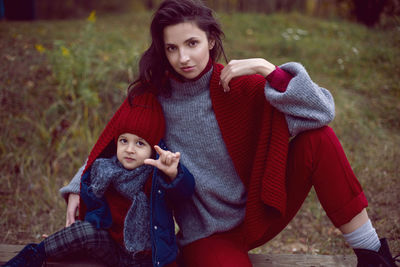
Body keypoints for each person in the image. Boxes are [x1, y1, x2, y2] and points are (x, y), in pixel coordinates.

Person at [60, 0, 398, 266]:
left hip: (260, 211)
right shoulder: (155, 97)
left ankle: (372, 255)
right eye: (172, 48)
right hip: (208, 235)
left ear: (210, 38)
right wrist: (78, 185)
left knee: (318, 140)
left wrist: (267, 69)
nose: (184, 57)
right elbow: (112, 142)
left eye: (192, 43)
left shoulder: (237, 86)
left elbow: (322, 112)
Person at [3, 93, 195, 267]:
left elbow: (184, 192)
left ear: (153, 149)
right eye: (123, 140)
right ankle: (33, 255)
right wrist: (71, 233)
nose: (129, 149)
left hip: (148, 257)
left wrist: (173, 173)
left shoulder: (156, 175)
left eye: (139, 143)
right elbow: (91, 210)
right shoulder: (105, 169)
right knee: (83, 230)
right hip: (112, 247)